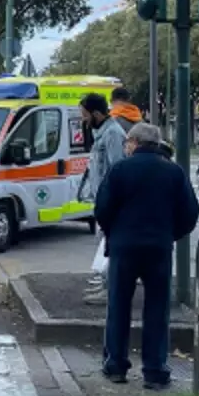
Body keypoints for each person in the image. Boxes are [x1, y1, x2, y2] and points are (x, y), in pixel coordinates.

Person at [94, 123, 199, 390]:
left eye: (128, 142)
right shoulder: (173, 172)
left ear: (135, 142)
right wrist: (169, 234)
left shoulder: (120, 169)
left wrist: (113, 233)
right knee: (157, 308)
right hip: (158, 249)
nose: (126, 146)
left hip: (124, 248)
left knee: (118, 305)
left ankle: (116, 366)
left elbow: (102, 208)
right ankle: (154, 370)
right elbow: (190, 213)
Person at [80, 93, 127, 305]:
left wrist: (112, 201)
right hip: (103, 198)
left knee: (112, 244)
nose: (83, 119)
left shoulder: (113, 134)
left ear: (96, 114)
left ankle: (110, 290)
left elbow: (117, 169)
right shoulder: (102, 132)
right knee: (106, 244)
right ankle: (106, 285)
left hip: (111, 201)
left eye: (85, 114)